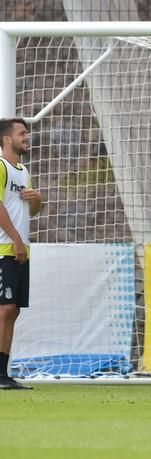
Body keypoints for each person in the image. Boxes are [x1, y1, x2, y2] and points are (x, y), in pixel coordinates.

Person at [0, 118, 41, 390]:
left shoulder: (23, 170)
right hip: (4, 248)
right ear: (6, 139)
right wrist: (15, 240)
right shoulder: (1, 166)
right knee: (5, 309)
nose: (27, 136)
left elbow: (30, 211)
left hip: (19, 249)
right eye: (22, 133)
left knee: (12, 312)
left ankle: (4, 373)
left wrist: (37, 200)